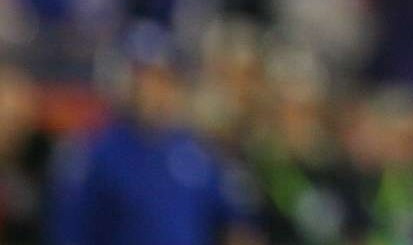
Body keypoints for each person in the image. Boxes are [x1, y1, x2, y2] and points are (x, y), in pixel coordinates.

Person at [49, 29, 260, 245]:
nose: (154, 91)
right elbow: (71, 231)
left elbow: (236, 219)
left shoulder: (194, 150)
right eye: (145, 79)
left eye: (163, 79)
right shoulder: (96, 152)